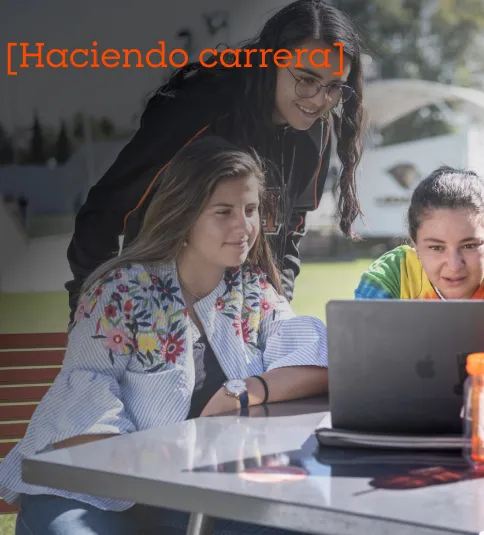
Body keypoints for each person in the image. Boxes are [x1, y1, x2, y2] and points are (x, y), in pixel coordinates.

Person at [0, 136, 329, 535]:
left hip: (195, 498)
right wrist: (167, 461)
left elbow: (315, 360)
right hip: (86, 492)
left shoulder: (251, 291)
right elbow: (84, 415)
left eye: (251, 209)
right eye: (224, 211)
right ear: (184, 217)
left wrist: (243, 391)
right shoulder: (121, 290)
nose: (244, 227)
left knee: (306, 523)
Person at [65, 0, 367, 326]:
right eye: (306, 79)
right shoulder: (199, 108)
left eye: (335, 86)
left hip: (239, 323)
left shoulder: (316, 133)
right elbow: (104, 214)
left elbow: (288, 236)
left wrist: (274, 314)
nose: (320, 100)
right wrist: (95, 315)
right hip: (155, 313)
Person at [354, 166, 484, 384]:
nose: (454, 265)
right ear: (413, 241)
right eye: (436, 247)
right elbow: (363, 370)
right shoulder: (393, 273)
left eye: (470, 245)